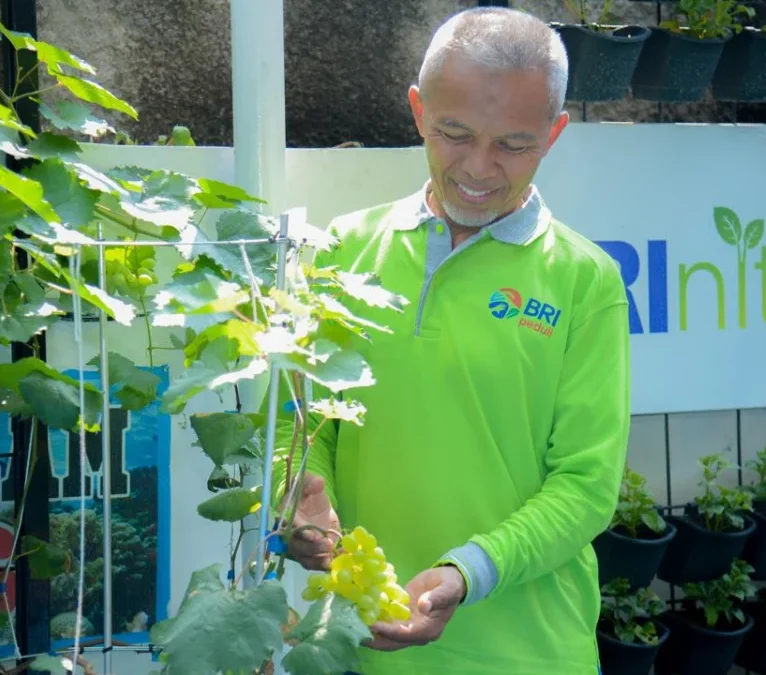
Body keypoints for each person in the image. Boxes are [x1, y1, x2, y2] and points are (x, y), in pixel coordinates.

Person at [269, 7, 631, 675]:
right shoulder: (342, 249)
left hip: (528, 654)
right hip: (357, 648)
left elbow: (585, 485)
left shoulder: (586, 281)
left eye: (513, 144)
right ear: (417, 111)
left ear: (554, 134)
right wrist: (302, 490)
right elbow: (303, 421)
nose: (479, 167)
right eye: (454, 133)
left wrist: (468, 571)